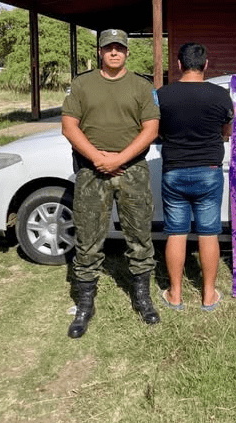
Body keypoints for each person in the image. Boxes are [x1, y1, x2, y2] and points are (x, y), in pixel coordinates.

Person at [62, 29, 161, 338]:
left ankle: (142, 298)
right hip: (92, 172)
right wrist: (97, 159)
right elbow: (69, 126)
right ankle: (84, 305)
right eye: (109, 48)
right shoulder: (82, 84)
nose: (114, 52)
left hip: (131, 170)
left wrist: (118, 160)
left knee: (139, 234)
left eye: (120, 48)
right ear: (101, 52)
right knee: (88, 238)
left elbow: (151, 129)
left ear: (127, 53)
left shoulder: (141, 87)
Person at [157, 43, 234, 312]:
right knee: (208, 232)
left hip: (174, 171)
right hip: (209, 171)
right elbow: (227, 129)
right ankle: (208, 295)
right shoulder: (220, 95)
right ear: (206, 64)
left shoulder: (162, 95)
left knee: (176, 233)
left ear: (178, 65)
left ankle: (175, 295)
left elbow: (156, 129)